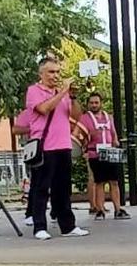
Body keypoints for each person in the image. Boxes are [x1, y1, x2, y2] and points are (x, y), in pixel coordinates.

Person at [13, 59, 90, 241]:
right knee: (41, 188)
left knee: (63, 189)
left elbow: (76, 115)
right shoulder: (34, 91)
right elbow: (43, 109)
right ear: (41, 74)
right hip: (45, 146)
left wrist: (71, 96)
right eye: (51, 72)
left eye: (57, 72)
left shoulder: (61, 94)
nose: (55, 76)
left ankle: (67, 226)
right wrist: (62, 91)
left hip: (63, 145)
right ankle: (39, 226)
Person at [76, 89, 129, 219]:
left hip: (110, 153)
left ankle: (118, 209)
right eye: (92, 103)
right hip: (95, 153)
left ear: (101, 103)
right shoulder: (84, 118)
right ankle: (99, 209)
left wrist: (116, 143)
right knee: (99, 182)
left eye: (96, 102)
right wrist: (84, 149)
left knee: (114, 181)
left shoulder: (108, 117)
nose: (94, 105)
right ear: (88, 104)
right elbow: (78, 134)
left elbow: (114, 134)